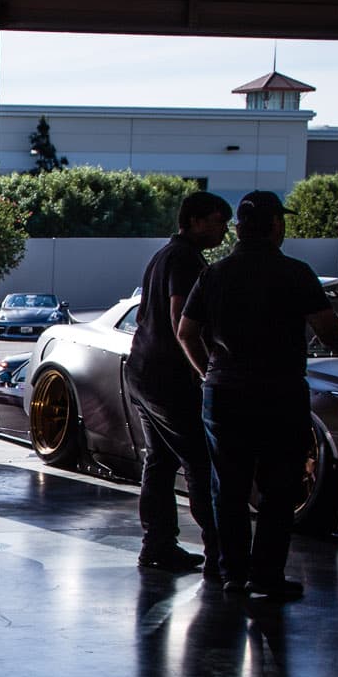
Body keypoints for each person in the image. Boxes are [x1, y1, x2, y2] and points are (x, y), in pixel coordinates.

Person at [177, 189, 338, 602]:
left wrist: (207, 372)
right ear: (275, 226)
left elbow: (186, 332)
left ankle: (232, 573)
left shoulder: (214, 274)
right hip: (280, 394)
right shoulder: (296, 273)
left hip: (224, 393)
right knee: (279, 488)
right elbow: (329, 331)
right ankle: (266, 576)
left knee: (228, 488)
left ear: (239, 229)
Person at [124, 190, 231, 575]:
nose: (224, 230)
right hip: (168, 377)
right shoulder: (185, 259)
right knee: (199, 461)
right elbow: (179, 318)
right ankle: (220, 553)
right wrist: (204, 370)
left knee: (160, 460)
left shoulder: (163, 255)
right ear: (196, 221)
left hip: (142, 371)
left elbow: (151, 316)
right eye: (219, 222)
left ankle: (157, 545)